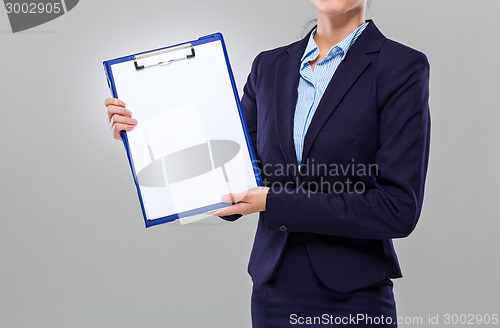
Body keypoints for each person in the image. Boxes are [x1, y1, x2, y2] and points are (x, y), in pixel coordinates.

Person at [105, 0, 430, 326]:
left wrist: (275, 202)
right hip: (273, 294)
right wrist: (144, 135)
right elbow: (234, 176)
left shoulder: (401, 68)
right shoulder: (269, 67)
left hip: (354, 297)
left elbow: (397, 209)